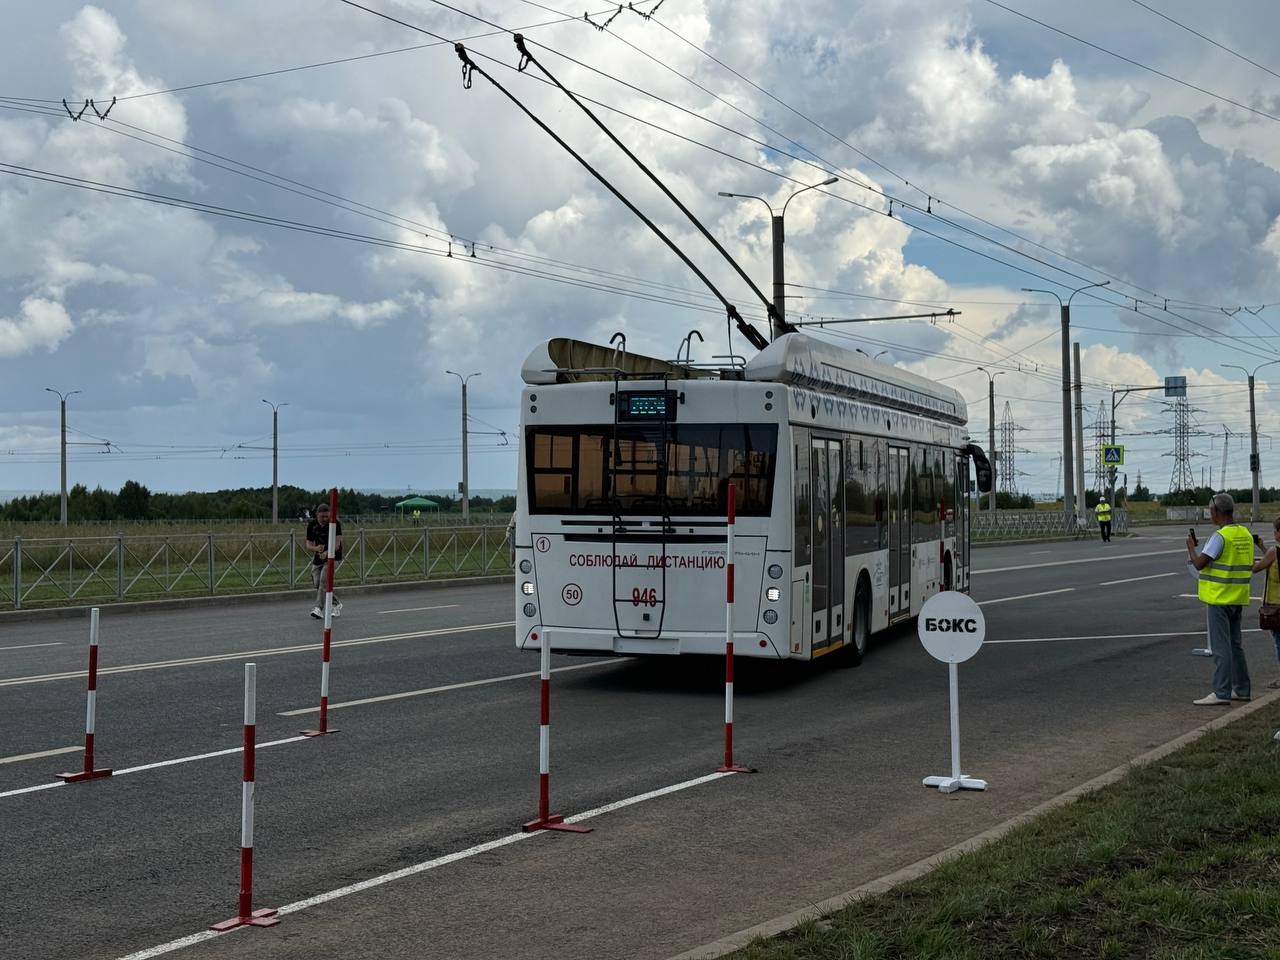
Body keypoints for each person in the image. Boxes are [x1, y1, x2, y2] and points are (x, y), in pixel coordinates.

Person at [1185, 492, 1253, 705]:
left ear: (1216, 512)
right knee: (1235, 645)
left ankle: (1221, 692)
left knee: (1220, 646)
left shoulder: (1219, 537)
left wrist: (1190, 547)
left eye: (1211, 511)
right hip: (1237, 597)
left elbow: (1199, 564)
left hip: (1219, 598)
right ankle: (1242, 689)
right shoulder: (1245, 534)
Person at [1250, 515, 1280, 690]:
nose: (1274, 534)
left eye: (1275, 531)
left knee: (1279, 641)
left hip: (1275, 603)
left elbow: (1257, 568)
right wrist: (1261, 546)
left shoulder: (1274, 552)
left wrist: (1246, 560)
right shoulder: (1274, 553)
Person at [305, 502, 343, 620]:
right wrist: (316, 549)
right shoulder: (312, 525)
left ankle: (318, 608)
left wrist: (328, 552)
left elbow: (337, 544)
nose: (325, 519)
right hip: (318, 558)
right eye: (322, 516)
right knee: (317, 583)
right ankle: (336, 603)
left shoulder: (335, 523)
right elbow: (308, 545)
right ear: (317, 515)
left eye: (327, 516)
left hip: (333, 557)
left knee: (323, 580)